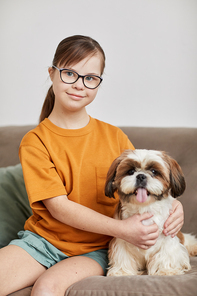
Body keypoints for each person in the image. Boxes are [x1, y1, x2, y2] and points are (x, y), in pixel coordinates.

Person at [0, 35, 184, 296]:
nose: (79, 85)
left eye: (90, 78)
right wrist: (123, 229)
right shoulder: (35, 141)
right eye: (69, 74)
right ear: (52, 74)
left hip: (97, 247)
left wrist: (175, 206)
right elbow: (59, 208)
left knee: (45, 289)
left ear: (98, 83)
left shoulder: (114, 137)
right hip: (42, 242)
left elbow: (145, 186)